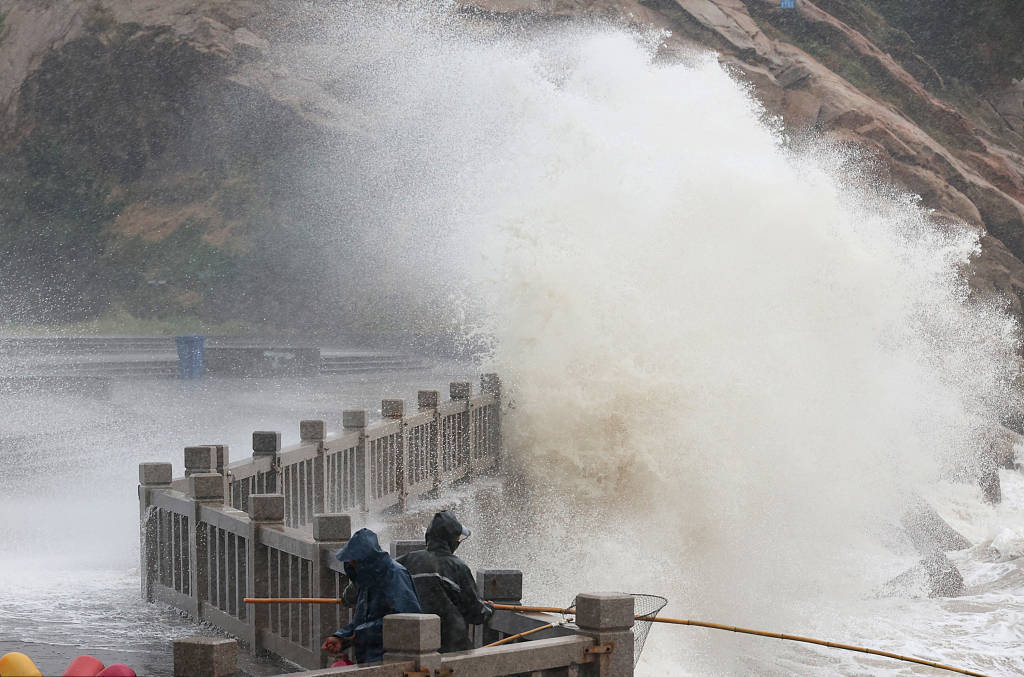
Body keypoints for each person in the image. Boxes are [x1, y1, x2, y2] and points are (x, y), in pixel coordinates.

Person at [397, 511, 494, 653]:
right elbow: (474, 613)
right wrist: (488, 609)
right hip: (450, 646)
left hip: (411, 643)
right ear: (451, 540)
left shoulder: (407, 561)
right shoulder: (457, 567)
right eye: (457, 538)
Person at [321, 528, 421, 663]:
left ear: (365, 560)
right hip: (368, 658)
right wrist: (341, 637)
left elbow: (407, 620)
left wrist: (360, 634)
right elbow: (362, 620)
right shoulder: (366, 579)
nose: (351, 565)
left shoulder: (395, 575)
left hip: (389, 659)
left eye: (354, 561)